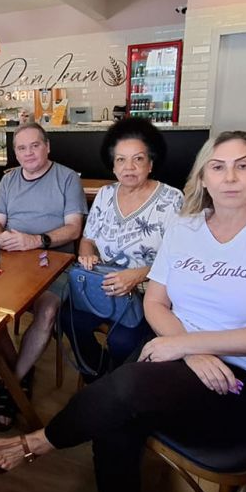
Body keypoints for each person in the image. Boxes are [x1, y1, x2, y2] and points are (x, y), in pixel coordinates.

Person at [0, 131, 246, 492]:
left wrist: (185, 346)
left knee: (120, 388)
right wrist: (190, 351)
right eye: (218, 167)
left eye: (242, 166)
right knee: (113, 422)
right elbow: (157, 303)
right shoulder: (187, 228)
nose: (229, 178)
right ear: (202, 177)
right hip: (175, 354)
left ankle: (40, 442)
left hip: (245, 379)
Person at [64, 118, 183, 378]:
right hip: (103, 287)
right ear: (113, 165)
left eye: (138, 159)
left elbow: (180, 259)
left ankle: (119, 383)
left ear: (151, 163)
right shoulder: (106, 194)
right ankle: (97, 375)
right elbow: (88, 239)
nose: (129, 167)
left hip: (148, 293)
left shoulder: (172, 199)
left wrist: (138, 274)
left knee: (123, 342)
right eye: (120, 160)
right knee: (68, 319)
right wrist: (86, 253)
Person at [0, 122, 87, 430]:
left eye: (34, 146)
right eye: (21, 148)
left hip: (53, 260)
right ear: (15, 152)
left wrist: (37, 240)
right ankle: (20, 366)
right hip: (12, 258)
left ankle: (12, 383)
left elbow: (74, 229)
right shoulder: (8, 181)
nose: (28, 153)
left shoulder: (68, 178)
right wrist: (1, 236)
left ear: (47, 147)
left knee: (46, 310)